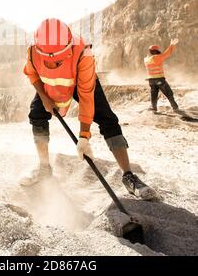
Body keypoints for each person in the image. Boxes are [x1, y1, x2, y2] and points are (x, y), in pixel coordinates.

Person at [20, 18, 154, 200]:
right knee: (36, 114)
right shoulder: (33, 51)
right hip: (49, 86)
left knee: (108, 120)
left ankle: (129, 176)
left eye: (58, 61)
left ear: (68, 47)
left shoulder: (83, 54)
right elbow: (33, 74)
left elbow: (86, 97)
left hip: (81, 81)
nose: (54, 65)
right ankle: (44, 169)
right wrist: (44, 98)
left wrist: (84, 137)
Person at [144, 39, 180, 113]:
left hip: (151, 81)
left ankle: (154, 108)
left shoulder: (147, 59)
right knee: (169, 93)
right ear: (156, 50)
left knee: (154, 95)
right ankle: (175, 108)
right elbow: (167, 53)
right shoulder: (156, 58)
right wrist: (172, 45)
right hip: (159, 80)